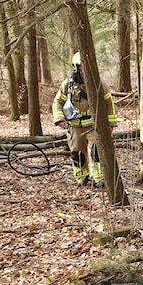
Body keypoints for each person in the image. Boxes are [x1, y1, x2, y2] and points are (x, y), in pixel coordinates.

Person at [53, 53, 118, 187]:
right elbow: (58, 102)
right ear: (77, 67)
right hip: (74, 126)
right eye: (82, 66)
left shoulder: (98, 83)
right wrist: (59, 119)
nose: (84, 69)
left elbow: (108, 103)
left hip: (93, 125)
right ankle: (82, 178)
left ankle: (98, 178)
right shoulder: (68, 85)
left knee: (96, 151)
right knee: (77, 152)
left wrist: (110, 124)